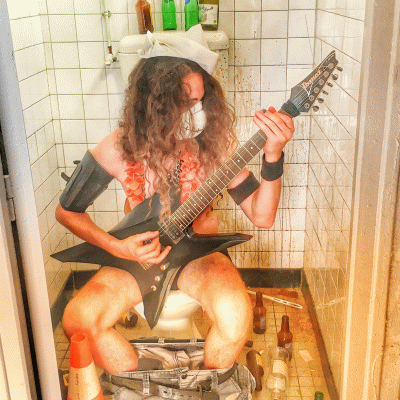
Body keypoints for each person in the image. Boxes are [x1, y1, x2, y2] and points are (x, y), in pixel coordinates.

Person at [55, 29, 294, 374]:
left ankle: (207, 384)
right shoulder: (118, 147)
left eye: (199, 101)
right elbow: (66, 211)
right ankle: (140, 384)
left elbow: (262, 216)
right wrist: (117, 247)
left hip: (199, 257)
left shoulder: (215, 144)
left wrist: (273, 155)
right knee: (79, 321)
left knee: (235, 315)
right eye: (184, 102)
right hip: (137, 260)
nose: (195, 113)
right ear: (154, 102)